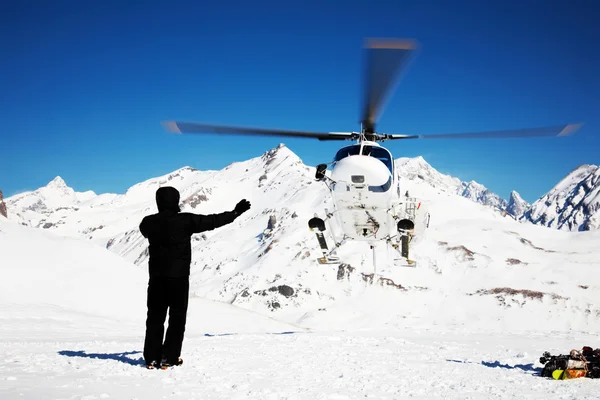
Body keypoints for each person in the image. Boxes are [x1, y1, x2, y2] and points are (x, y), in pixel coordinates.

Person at [139, 186, 251, 369]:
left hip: (157, 278)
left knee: (155, 318)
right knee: (177, 318)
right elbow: (213, 221)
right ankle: (169, 357)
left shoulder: (148, 223)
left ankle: (152, 358)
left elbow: (146, 233)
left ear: (158, 201)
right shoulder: (186, 220)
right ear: (175, 201)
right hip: (179, 278)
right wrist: (235, 212)